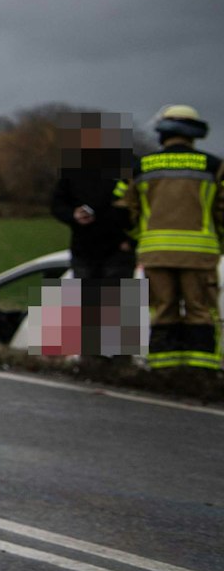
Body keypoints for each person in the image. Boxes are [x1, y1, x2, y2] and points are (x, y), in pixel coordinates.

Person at [115, 105, 221, 371]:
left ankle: (164, 371)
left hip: (156, 254)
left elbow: (124, 209)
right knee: (200, 311)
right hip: (199, 256)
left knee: (163, 310)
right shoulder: (214, 167)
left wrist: (140, 237)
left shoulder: (142, 166)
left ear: (163, 132)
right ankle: (201, 372)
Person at [49, 111, 136, 361]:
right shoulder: (73, 171)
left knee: (116, 311)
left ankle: (118, 364)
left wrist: (130, 241)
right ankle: (90, 363)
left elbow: (138, 208)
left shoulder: (130, 169)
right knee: (88, 310)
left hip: (117, 249)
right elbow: (56, 204)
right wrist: (73, 214)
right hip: (84, 249)